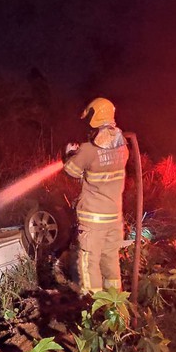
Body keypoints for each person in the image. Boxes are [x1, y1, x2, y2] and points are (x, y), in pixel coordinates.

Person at [63, 97, 129, 294]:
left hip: (93, 220)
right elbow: (104, 162)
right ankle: (115, 307)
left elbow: (71, 171)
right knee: (110, 261)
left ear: (94, 119)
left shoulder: (87, 150)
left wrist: (68, 154)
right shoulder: (123, 147)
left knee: (89, 262)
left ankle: (94, 309)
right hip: (114, 218)